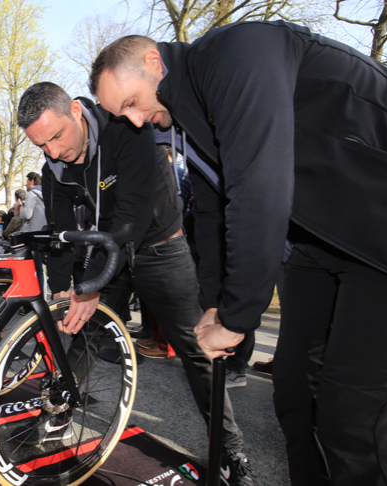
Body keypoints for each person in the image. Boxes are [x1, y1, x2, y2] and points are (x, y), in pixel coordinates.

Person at [90, 22, 387, 486]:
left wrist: (238, 314)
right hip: (323, 240)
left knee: (352, 410)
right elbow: (213, 211)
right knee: (293, 392)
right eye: (120, 115)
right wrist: (216, 302)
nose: (134, 120)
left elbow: (260, 188)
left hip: (378, 233)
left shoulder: (239, 53)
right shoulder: (192, 116)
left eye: (130, 103)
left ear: (154, 62)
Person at [17, 81, 253, 485]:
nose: (54, 153)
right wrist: (61, 291)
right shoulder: (54, 164)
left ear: (75, 110)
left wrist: (90, 287)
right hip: (110, 248)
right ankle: (56, 416)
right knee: (84, 336)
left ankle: (230, 450)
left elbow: (133, 215)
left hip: (160, 245)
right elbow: (58, 232)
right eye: (42, 147)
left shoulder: (125, 128)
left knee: (196, 348)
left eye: (56, 137)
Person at [20, 172, 47, 290]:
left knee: (34, 268)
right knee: (41, 269)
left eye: (27, 181)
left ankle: (36, 296)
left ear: (32, 181)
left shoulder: (32, 194)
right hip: (45, 233)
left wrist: (21, 211)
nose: (25, 184)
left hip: (33, 235)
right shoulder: (46, 193)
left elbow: (27, 214)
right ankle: (43, 296)